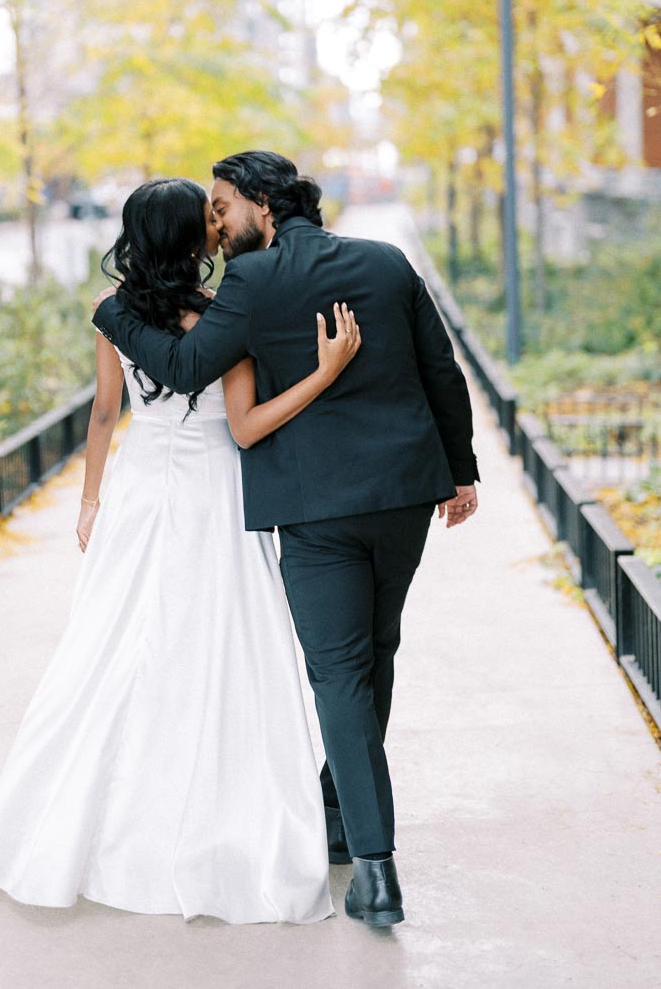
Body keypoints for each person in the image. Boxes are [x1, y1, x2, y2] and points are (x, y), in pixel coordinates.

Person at [0, 177, 362, 924]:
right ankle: (211, 821)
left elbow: (106, 413)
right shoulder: (221, 316)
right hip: (215, 493)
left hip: (142, 492)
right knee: (219, 651)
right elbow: (244, 425)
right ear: (191, 240)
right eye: (207, 218)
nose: (217, 224)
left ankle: (99, 820)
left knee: (115, 648)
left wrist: (90, 500)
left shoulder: (114, 315)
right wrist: (324, 373)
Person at [93, 151, 480, 928]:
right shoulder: (385, 260)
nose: (217, 220)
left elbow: (181, 361)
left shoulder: (255, 280)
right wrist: (461, 470)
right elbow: (443, 370)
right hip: (406, 494)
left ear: (263, 205)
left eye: (224, 204)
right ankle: (340, 809)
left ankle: (374, 868)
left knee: (338, 674)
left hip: (317, 508)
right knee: (376, 652)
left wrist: (116, 312)